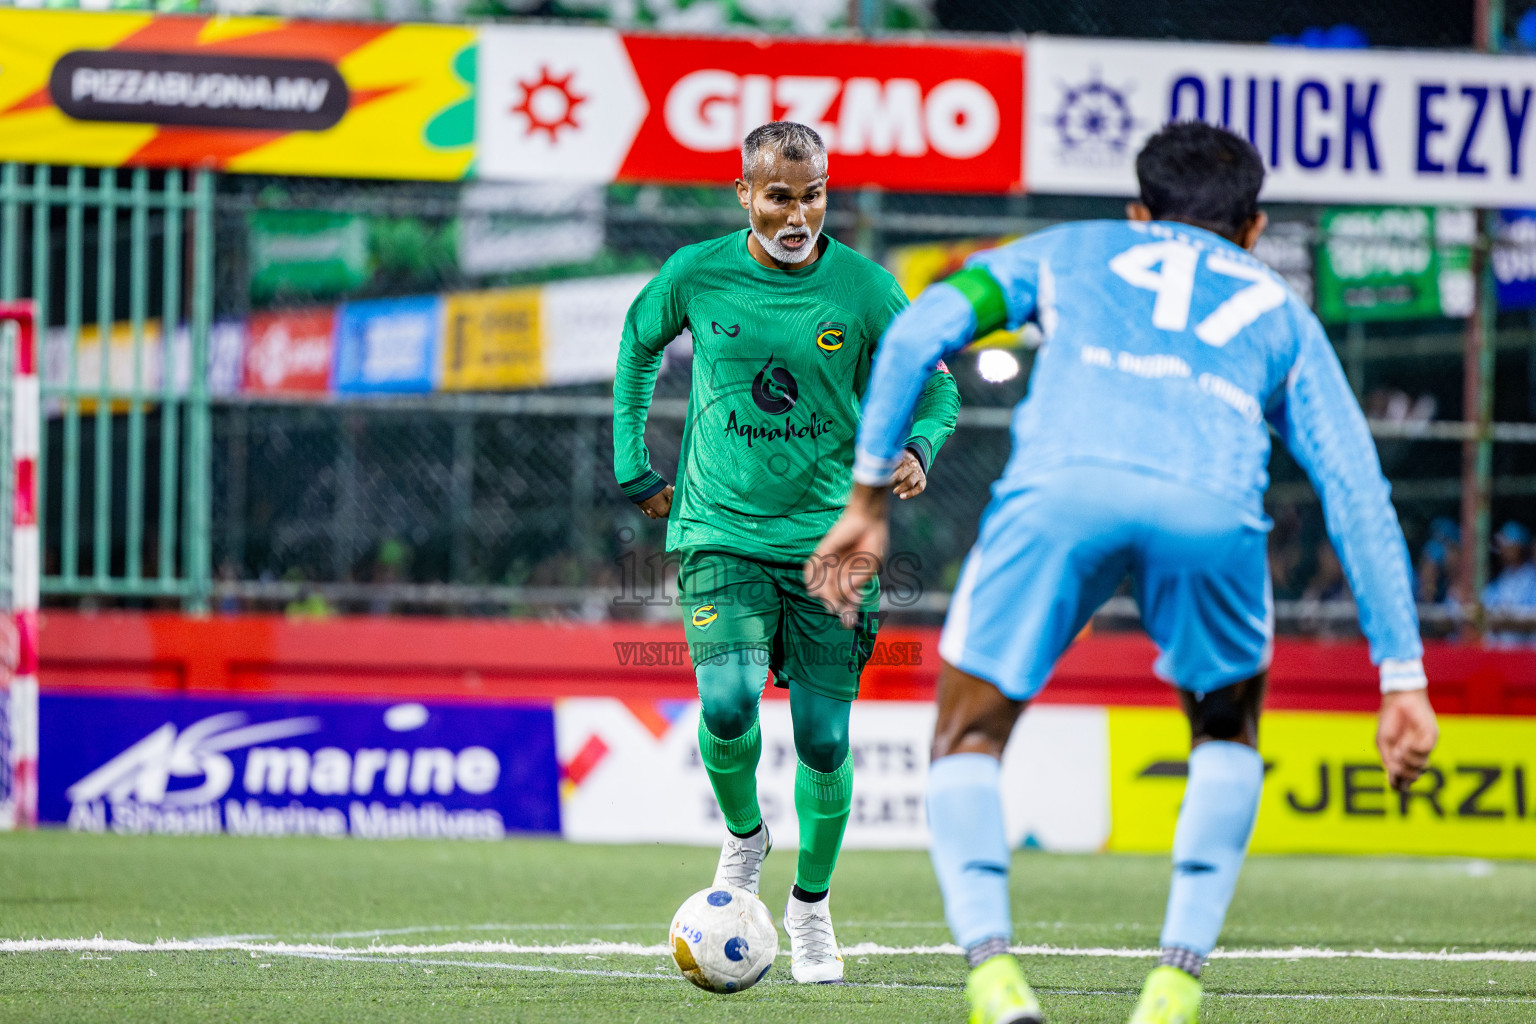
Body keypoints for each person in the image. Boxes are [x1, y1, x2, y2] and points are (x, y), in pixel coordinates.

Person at [807, 121, 1438, 1023]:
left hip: (1063, 494)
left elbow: (916, 337)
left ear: (1140, 212)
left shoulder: (1067, 250)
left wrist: (867, 502)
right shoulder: (1281, 313)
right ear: (1254, 231)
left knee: (968, 737)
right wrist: (1403, 677)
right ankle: (1175, 987)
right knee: (1225, 732)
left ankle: (992, 976)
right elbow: (1356, 487)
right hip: (1211, 512)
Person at [611, 121, 960, 983]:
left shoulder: (868, 289)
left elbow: (939, 384)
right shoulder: (696, 273)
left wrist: (918, 447)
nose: (798, 213)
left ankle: (809, 910)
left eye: (812, 195)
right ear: (746, 195)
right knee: (727, 705)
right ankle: (744, 838)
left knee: (824, 743)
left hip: (830, 546)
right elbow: (637, 342)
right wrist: (631, 465)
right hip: (719, 531)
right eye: (779, 196)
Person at [1483, 520, 1536, 644]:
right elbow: (1485, 603)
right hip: (1501, 648)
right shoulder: (1502, 578)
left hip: (1526, 649)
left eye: (1509, 544)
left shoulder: (1532, 577)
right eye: (1503, 545)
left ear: (1520, 546)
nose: (1504, 549)